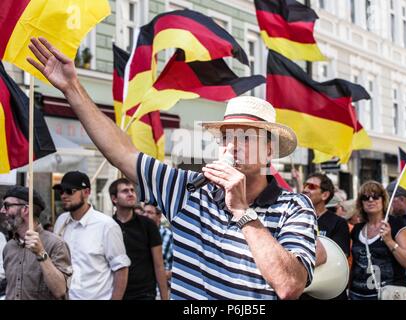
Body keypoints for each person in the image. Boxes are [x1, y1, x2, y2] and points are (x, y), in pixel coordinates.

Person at [27, 37, 318, 299]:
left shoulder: (295, 207)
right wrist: (71, 87)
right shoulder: (189, 190)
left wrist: (242, 211)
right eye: (227, 136)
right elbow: (122, 153)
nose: (233, 144)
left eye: (246, 136)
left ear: (269, 149)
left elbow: (289, 285)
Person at [52, 171, 131, 300]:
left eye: (69, 191)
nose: (64, 196)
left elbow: (121, 268)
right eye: (61, 191)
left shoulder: (107, 225)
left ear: (86, 192)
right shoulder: (61, 221)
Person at [0, 186, 72, 300]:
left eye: (7, 206)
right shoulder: (9, 247)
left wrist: (41, 253)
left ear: (25, 209)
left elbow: (60, 291)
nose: (2, 210)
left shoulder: (56, 244)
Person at [349, 181, 406, 300]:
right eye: (365, 197)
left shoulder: (396, 225)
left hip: (387, 295)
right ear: (361, 203)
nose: (370, 200)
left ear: (383, 200)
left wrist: (389, 241)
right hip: (357, 295)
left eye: (375, 196)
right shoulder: (357, 229)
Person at [109, 178, 169, 300]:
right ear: (114, 198)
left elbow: (159, 265)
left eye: (132, 190)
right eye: (125, 191)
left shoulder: (148, 225)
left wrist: (164, 297)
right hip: (115, 293)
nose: (131, 193)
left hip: (144, 293)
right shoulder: (107, 226)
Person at [144, 203, 173, 282]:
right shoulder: (139, 234)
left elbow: (178, 265)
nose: (145, 215)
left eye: (149, 212)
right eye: (144, 212)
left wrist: (164, 274)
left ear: (159, 216)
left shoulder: (168, 236)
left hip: (163, 287)